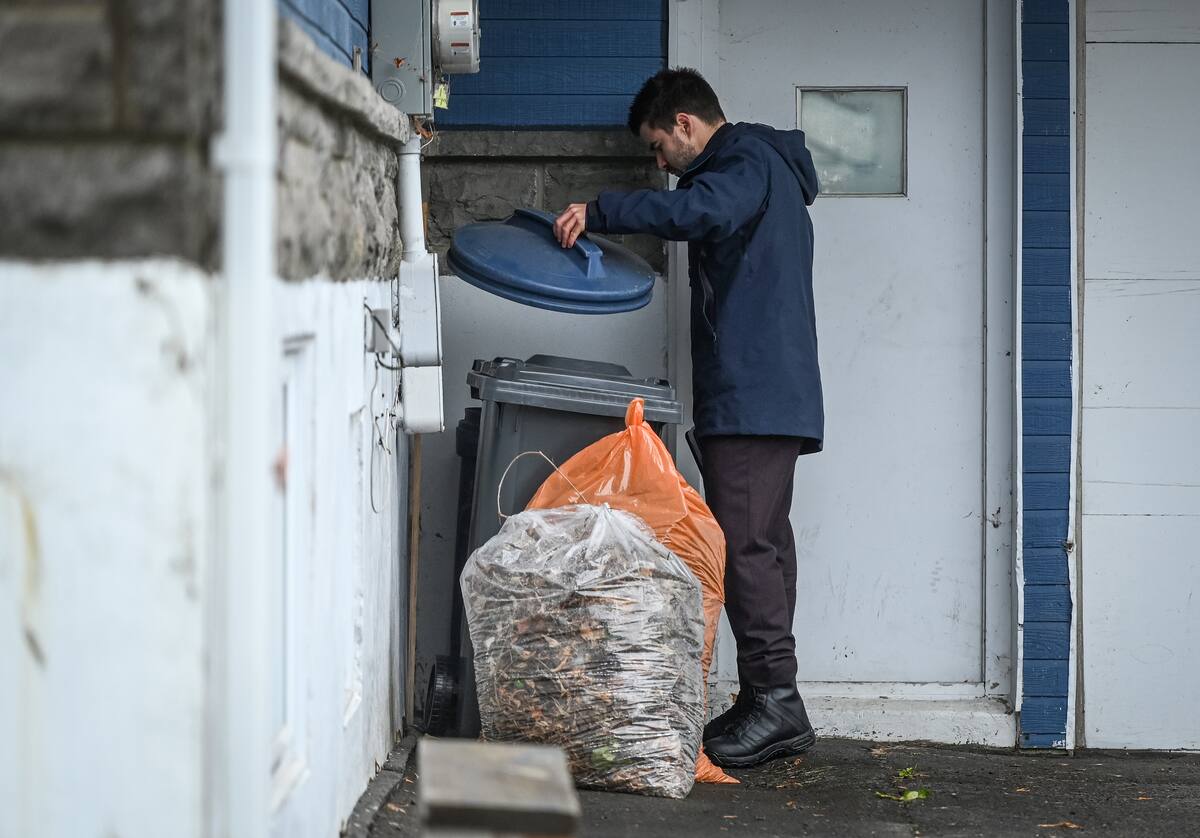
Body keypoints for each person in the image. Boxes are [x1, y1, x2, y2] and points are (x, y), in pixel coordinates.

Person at [554, 68, 823, 769]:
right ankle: (765, 694)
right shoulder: (761, 164)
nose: (659, 165)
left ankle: (777, 702)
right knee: (761, 541)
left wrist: (602, 210)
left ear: (683, 124)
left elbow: (701, 212)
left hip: (756, 390)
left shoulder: (744, 163)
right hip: (765, 389)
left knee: (745, 545)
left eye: (657, 147)